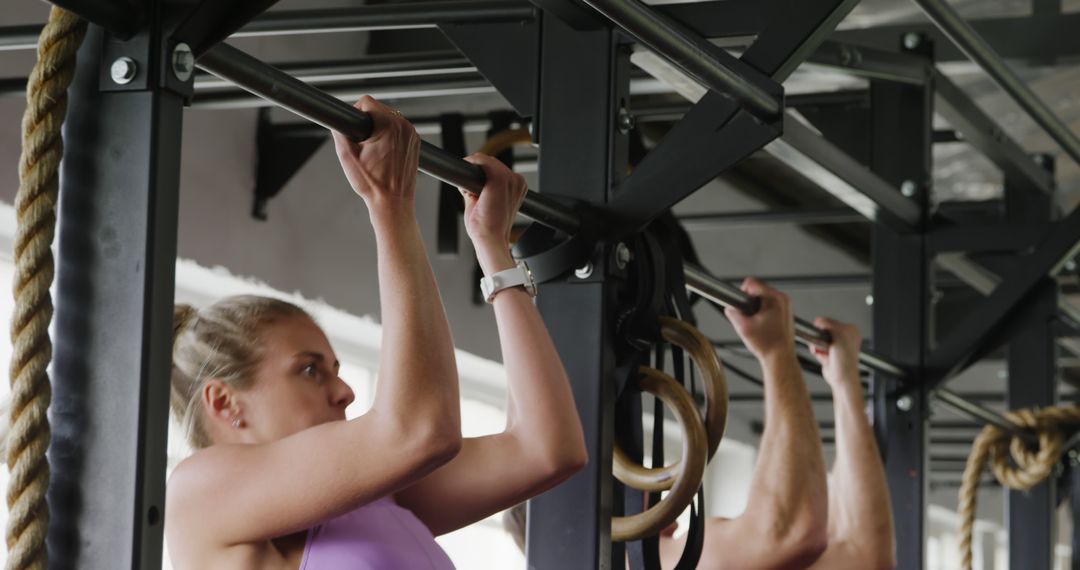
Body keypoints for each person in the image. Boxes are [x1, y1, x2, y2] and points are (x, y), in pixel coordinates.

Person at [164, 95, 588, 570]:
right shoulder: (200, 493)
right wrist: (389, 204)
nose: (344, 392)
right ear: (224, 402)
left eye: (335, 370)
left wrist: (493, 249)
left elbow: (548, 449)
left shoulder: (377, 494)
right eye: (309, 370)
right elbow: (424, 430)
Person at [505, 285, 895, 570]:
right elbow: (791, 531)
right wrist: (776, 351)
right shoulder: (639, 563)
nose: (660, 499)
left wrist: (844, 386)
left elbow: (864, 557)